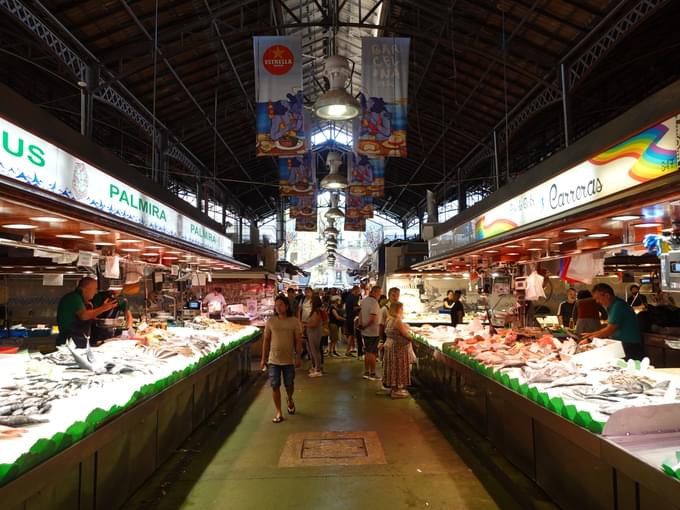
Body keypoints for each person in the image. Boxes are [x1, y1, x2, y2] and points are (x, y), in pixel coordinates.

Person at [261, 295, 302, 423]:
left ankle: (289, 398)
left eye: (280, 305)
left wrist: (298, 356)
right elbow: (266, 341)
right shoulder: (271, 321)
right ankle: (279, 411)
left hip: (289, 360)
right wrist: (264, 358)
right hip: (273, 360)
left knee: (289, 384)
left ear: (287, 306)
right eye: (276, 305)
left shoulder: (294, 321)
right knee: (275, 385)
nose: (278, 307)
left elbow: (298, 340)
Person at [584, 283, 643, 360]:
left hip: (630, 346)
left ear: (607, 295)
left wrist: (590, 338)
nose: (597, 301)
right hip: (622, 345)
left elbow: (610, 330)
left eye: (598, 298)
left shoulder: (618, 305)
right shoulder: (612, 305)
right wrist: (591, 335)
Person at [56, 277, 118, 348]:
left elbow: (87, 317)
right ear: (86, 288)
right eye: (95, 289)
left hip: (77, 342)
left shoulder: (80, 300)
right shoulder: (74, 298)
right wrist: (104, 308)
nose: (96, 292)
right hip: (69, 342)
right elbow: (84, 316)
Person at [383, 301, 412, 399]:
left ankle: (393, 387)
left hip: (390, 346)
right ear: (397, 309)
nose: (403, 310)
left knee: (392, 368)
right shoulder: (397, 320)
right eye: (401, 308)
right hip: (398, 348)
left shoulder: (389, 319)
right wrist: (413, 336)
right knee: (398, 367)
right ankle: (396, 390)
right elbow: (405, 334)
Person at [358, 286, 382, 380]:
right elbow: (372, 319)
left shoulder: (364, 301)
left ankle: (366, 371)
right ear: (375, 292)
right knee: (372, 353)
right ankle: (372, 373)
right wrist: (365, 326)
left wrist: (361, 325)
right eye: (379, 293)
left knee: (367, 352)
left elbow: (360, 314)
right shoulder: (374, 303)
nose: (380, 295)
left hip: (365, 331)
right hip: (372, 331)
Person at [379, 287, 401, 360]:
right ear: (389, 296)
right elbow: (381, 325)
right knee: (388, 359)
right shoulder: (384, 309)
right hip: (387, 338)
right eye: (393, 295)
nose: (395, 297)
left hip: (397, 339)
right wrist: (381, 340)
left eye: (397, 295)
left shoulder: (399, 307)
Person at [305, 296, 324, 377]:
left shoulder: (316, 312)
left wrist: (306, 325)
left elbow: (314, 324)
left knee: (314, 351)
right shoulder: (316, 311)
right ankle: (316, 367)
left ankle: (317, 369)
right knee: (314, 351)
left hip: (314, 333)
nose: (310, 302)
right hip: (313, 333)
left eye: (312, 301)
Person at [344, 286, 360, 357]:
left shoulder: (349, 297)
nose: (359, 293)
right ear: (355, 290)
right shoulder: (352, 297)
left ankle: (350, 349)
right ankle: (348, 350)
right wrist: (361, 307)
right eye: (358, 291)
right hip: (352, 318)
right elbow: (355, 308)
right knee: (351, 334)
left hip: (349, 318)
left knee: (351, 335)